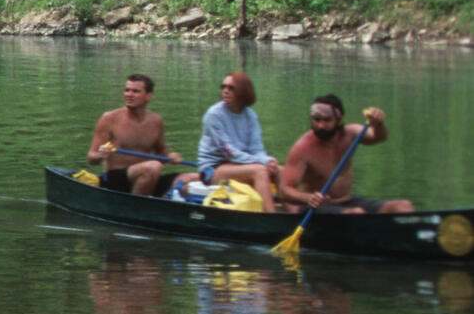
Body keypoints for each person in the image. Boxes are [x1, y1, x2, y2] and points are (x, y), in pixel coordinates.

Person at [279, 94, 413, 214]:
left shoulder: (351, 133)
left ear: (339, 119)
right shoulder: (302, 148)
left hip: (347, 201)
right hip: (316, 207)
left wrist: (378, 124)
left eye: (327, 120)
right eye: (316, 119)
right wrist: (309, 197)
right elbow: (285, 190)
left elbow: (379, 137)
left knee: (403, 206)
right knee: (356, 213)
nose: (320, 125)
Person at [179, 71, 280, 208]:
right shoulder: (214, 114)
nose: (225, 91)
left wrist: (268, 161)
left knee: (280, 170)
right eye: (223, 87)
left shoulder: (251, 116)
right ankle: (271, 219)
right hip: (214, 169)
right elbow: (229, 152)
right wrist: (262, 162)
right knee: (260, 171)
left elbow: (256, 149)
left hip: (240, 165)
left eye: (231, 88)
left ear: (243, 92)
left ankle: (292, 213)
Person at [88, 73, 178, 194]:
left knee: (192, 178)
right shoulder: (109, 118)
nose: (129, 95)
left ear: (148, 96)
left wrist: (171, 157)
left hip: (148, 177)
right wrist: (101, 155)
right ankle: (136, 207)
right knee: (153, 167)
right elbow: (91, 157)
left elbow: (161, 155)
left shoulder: (156, 121)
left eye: (135, 91)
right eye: (127, 90)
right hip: (117, 179)